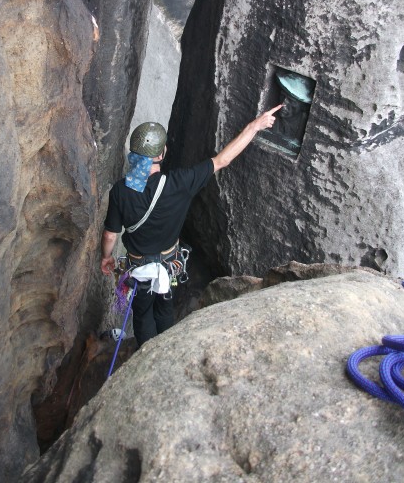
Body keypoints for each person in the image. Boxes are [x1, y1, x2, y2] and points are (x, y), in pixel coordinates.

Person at [101, 105, 282, 347]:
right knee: (164, 310)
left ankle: (144, 353)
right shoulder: (180, 183)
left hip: (138, 269)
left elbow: (111, 235)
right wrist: (255, 126)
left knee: (142, 314)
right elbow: (223, 160)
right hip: (168, 268)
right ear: (161, 154)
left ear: (134, 153)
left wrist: (107, 257)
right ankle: (164, 350)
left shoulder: (120, 191)